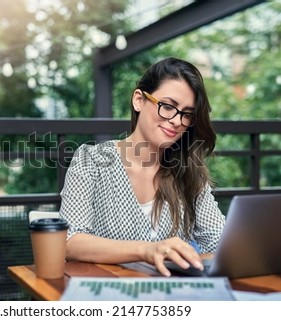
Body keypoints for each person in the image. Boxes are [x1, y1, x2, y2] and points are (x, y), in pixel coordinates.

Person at [59, 57, 226, 277]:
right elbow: (70, 241)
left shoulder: (188, 171)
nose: (177, 121)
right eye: (168, 106)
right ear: (139, 100)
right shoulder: (91, 160)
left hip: (174, 298)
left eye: (187, 114)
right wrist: (146, 250)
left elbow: (221, 243)